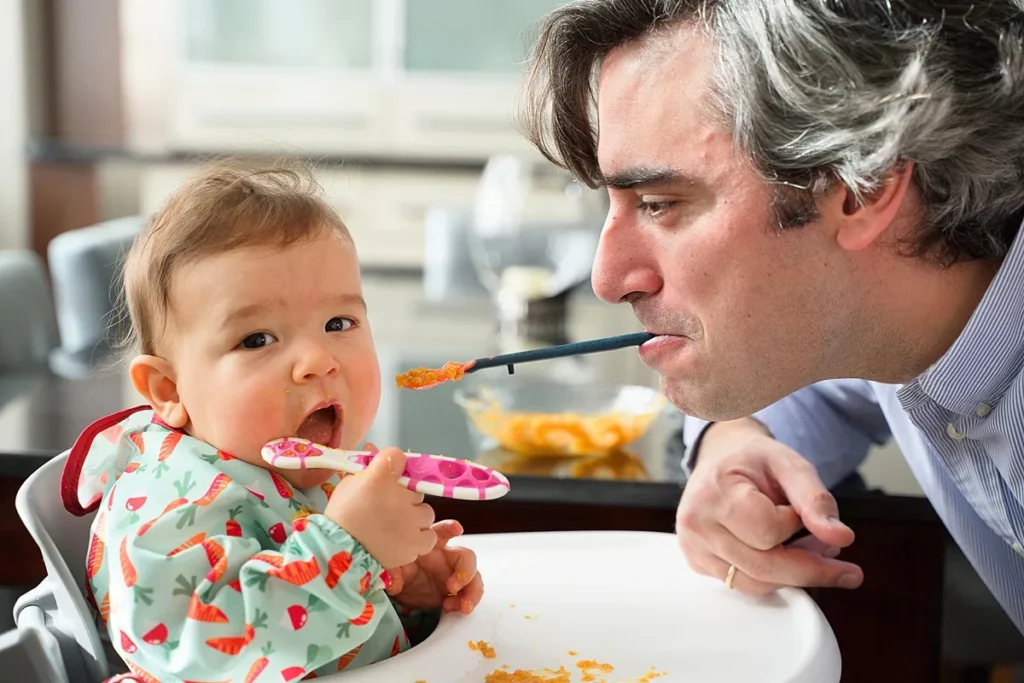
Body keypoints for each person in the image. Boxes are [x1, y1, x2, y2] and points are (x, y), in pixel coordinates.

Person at [518, 0, 1024, 634]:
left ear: (860, 186)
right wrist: (731, 443)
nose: (608, 279)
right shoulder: (898, 321)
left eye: (658, 203)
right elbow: (835, 388)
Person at [60, 163, 485, 681]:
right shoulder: (167, 505)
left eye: (338, 323)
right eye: (257, 339)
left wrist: (405, 591)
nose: (317, 360)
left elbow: (326, 637)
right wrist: (347, 551)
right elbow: (206, 651)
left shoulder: (315, 469)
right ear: (170, 391)